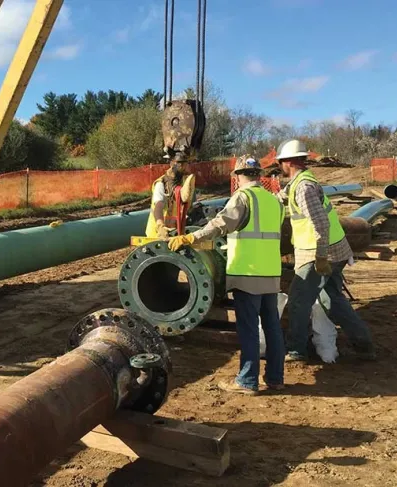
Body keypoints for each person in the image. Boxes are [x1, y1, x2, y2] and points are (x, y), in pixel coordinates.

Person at [168, 156, 285, 395]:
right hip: (271, 272)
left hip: (247, 272)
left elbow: (221, 224)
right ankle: (275, 378)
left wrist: (192, 237)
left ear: (237, 175)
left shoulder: (244, 197)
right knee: (272, 327)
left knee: (249, 329)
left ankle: (247, 381)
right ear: (258, 174)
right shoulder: (273, 201)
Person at [276, 139, 376, 362]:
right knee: (332, 300)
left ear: (289, 162)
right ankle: (364, 344)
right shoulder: (299, 182)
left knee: (298, 300)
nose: (280, 166)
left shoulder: (304, 188)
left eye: (281, 162)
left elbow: (321, 224)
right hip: (335, 250)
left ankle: (296, 350)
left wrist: (321, 257)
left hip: (319, 253)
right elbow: (279, 198)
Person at [145, 155, 196, 239]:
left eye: (188, 163)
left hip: (175, 232)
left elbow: (187, 206)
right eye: (185, 163)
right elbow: (158, 206)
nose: (188, 166)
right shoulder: (161, 184)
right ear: (173, 164)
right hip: (158, 235)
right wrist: (160, 226)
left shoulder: (186, 182)